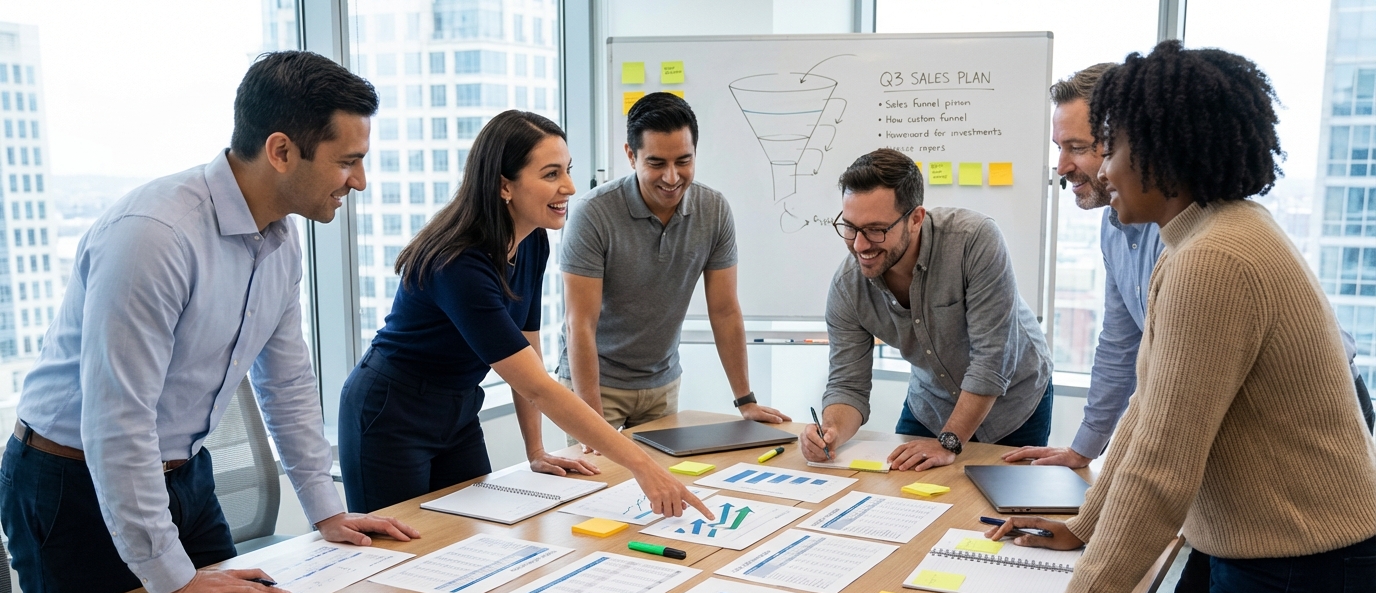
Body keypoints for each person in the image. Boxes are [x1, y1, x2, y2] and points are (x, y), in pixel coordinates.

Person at [966, 41, 1376, 593]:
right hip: (1301, 551)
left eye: (1111, 147)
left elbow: (1162, 459)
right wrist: (1085, 527)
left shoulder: (1213, 261)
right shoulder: (1205, 238)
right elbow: (1153, 411)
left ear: (1162, 148)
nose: (1103, 168)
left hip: (1301, 562)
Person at [0, 51, 420, 593]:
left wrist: (328, 512)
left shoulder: (280, 238)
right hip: (73, 485)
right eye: (348, 161)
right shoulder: (154, 237)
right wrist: (173, 578)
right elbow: (117, 422)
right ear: (280, 151)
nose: (360, 182)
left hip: (184, 475)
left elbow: (288, 383)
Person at [338, 110, 713, 523]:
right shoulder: (459, 263)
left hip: (459, 408)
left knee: (468, 535)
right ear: (504, 186)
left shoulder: (533, 242)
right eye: (551, 174)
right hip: (390, 412)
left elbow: (528, 349)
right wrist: (643, 467)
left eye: (567, 171)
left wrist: (536, 451)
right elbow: (536, 385)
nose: (569, 187)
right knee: (397, 552)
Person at [799, 148, 1053, 472]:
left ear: (915, 219)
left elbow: (992, 360)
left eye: (876, 229)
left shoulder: (974, 240)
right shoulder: (847, 287)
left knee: (1003, 510)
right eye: (850, 227)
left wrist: (949, 441)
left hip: (1015, 404)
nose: (860, 245)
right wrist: (831, 432)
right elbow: (848, 385)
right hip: (931, 405)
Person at [558, 92, 788, 440]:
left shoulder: (714, 211)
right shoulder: (594, 214)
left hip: (661, 384)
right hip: (596, 383)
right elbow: (580, 324)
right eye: (656, 163)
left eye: (684, 161)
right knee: (601, 485)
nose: (671, 177)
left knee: (661, 487)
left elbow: (725, 311)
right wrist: (592, 420)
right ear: (631, 155)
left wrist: (745, 400)